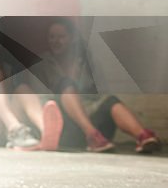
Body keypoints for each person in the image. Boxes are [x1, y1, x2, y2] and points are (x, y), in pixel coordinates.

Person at [33, 18, 161, 154]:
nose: (55, 41)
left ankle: (143, 136)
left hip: (94, 124)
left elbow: (99, 93)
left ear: (71, 38)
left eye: (61, 37)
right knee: (66, 84)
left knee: (110, 101)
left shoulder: (84, 61)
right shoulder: (43, 62)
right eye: (51, 37)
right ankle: (92, 135)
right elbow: (38, 98)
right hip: (62, 127)